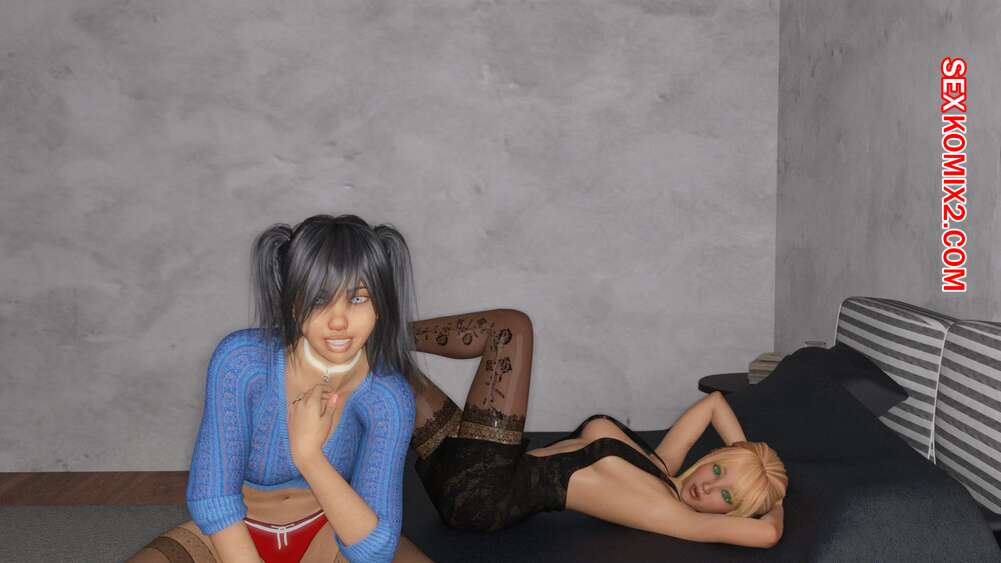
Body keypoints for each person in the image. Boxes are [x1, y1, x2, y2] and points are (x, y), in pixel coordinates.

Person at [130, 214, 431, 562]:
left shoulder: (389, 398)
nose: (338, 321)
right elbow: (212, 496)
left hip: (328, 536)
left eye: (358, 299)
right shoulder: (242, 361)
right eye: (318, 299)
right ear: (292, 303)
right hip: (229, 535)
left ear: (382, 304)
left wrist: (308, 456)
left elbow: (374, 550)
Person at [409, 310, 788, 548]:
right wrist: (745, 454)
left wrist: (772, 502)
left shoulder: (672, 513)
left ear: (733, 514)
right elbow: (714, 404)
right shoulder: (661, 467)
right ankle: (384, 331)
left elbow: (768, 534)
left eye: (726, 497)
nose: (708, 486)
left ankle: (390, 325)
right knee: (390, 365)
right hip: (471, 474)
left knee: (511, 328)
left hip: (483, 494)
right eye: (718, 470)